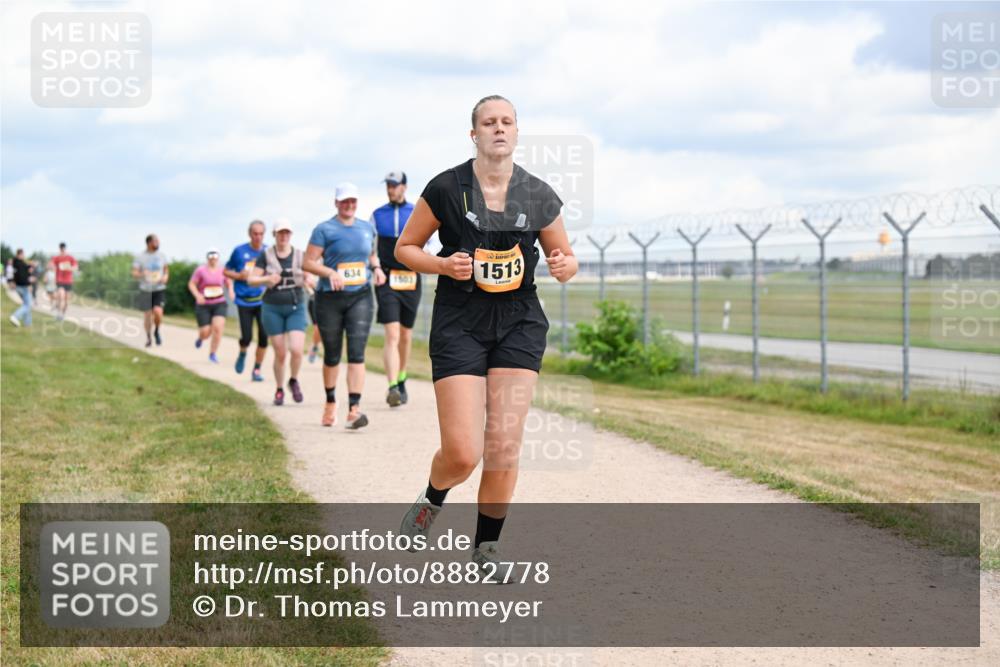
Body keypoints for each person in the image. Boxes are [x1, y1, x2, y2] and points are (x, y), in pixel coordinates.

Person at [395, 95, 577, 573]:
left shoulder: (538, 194)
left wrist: (564, 265)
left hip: (518, 321)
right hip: (460, 320)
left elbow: (567, 257)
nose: (499, 129)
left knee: (503, 445)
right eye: (488, 123)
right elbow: (405, 248)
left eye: (507, 122)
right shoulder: (446, 187)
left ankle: (486, 549)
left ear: (517, 132)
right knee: (462, 452)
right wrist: (440, 264)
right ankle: (432, 499)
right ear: (473, 134)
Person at [303, 183, 385, 429]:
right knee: (332, 354)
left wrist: (377, 269)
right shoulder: (324, 229)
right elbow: (308, 263)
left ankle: (354, 409)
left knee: (357, 353)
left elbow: (371, 255)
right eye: (344, 201)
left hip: (360, 296)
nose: (349, 205)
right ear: (336, 203)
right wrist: (329, 272)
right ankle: (330, 402)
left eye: (353, 201)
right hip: (330, 298)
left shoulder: (367, 228)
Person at [371, 170, 420, 407]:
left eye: (394, 185)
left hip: (411, 278)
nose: (390, 189)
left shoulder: (416, 212)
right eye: (388, 185)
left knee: (405, 335)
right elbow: (371, 247)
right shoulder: (377, 215)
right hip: (387, 279)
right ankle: (392, 387)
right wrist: (375, 268)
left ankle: (401, 377)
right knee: (392, 334)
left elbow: (430, 240)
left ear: (404, 187)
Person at [247, 220, 309, 406]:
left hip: (295, 306)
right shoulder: (265, 256)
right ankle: (280, 389)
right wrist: (267, 278)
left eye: (287, 233)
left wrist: (309, 279)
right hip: (272, 307)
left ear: (291, 235)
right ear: (274, 235)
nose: (283, 236)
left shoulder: (299, 255)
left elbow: (310, 273)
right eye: (280, 233)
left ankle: (294, 380)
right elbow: (251, 279)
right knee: (280, 352)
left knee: (297, 349)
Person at [225, 221, 268, 382]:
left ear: (264, 234)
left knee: (264, 337)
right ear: (250, 234)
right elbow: (226, 271)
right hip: (244, 300)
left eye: (261, 234)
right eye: (255, 233)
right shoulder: (239, 251)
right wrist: (238, 276)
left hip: (262, 300)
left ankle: (256, 369)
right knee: (247, 337)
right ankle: (243, 353)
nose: (258, 237)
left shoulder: (267, 251)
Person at [188, 248, 228, 363]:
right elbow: (191, 284)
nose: (213, 260)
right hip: (204, 304)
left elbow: (228, 282)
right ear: (208, 259)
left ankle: (213, 353)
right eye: (211, 258)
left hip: (219, 303)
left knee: (218, 328)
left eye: (215, 258)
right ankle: (201, 338)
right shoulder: (200, 270)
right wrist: (197, 295)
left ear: (218, 259)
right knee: (206, 331)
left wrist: (231, 291)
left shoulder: (222, 270)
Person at [132, 234, 169, 347]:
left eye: (158, 241)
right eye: (155, 241)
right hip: (145, 289)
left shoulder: (162, 255)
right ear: (149, 243)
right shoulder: (140, 257)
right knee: (148, 315)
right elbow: (134, 273)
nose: (158, 243)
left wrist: (165, 277)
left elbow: (166, 270)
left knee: (158, 312)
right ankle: (148, 337)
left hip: (159, 289)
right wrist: (143, 273)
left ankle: (156, 331)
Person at [51, 242, 78, 321]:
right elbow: (51, 265)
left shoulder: (70, 258)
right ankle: (59, 314)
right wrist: (53, 268)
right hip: (60, 280)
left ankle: (62, 314)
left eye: (63, 249)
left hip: (68, 281)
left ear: (65, 249)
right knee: (61, 297)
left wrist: (69, 268)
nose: (62, 250)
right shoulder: (57, 258)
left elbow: (76, 267)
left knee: (66, 301)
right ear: (59, 249)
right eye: (61, 249)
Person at [9, 249, 35, 327]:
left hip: (19, 286)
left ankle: (27, 324)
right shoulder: (20, 264)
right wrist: (29, 284)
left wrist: (30, 266)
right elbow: (23, 276)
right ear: (19, 255)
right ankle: (15, 316)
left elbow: (26, 270)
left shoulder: (16, 263)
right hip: (23, 286)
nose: (23, 256)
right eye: (22, 254)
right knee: (27, 305)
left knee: (26, 304)